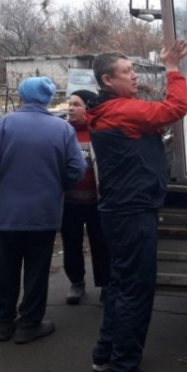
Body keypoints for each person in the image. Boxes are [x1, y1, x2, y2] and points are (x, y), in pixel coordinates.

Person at [89, 41, 187, 372]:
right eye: (127, 72)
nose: (134, 75)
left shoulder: (108, 110)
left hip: (119, 210)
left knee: (120, 284)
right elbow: (177, 107)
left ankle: (105, 354)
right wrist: (173, 68)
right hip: (132, 212)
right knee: (136, 290)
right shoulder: (122, 111)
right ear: (107, 80)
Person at [0, 77, 86, 344]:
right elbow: (76, 171)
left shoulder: (3, 125)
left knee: (2, 268)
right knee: (37, 269)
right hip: (43, 214)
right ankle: (29, 324)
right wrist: (56, 185)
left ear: (21, 97)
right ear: (47, 99)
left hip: (5, 214)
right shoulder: (62, 129)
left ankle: (3, 322)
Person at [61, 89, 110, 305]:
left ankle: (106, 284)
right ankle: (76, 282)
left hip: (98, 202)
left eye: (76, 104)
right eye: (69, 104)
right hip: (68, 202)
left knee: (102, 244)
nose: (70, 108)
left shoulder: (100, 131)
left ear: (89, 107)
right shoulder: (61, 132)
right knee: (71, 243)